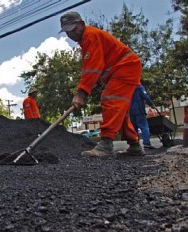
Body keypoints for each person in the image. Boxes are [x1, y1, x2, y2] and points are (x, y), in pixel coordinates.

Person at [59, 11, 144, 157]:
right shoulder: (86, 40)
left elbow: (92, 67)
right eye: (68, 32)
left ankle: (106, 144)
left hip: (126, 66)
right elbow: (99, 64)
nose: (71, 34)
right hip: (120, 68)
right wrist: (97, 81)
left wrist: (81, 93)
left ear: (82, 24)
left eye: (73, 29)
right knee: (119, 110)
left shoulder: (90, 36)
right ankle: (134, 145)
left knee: (110, 100)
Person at [130, 84, 156, 149]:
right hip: (139, 110)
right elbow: (145, 95)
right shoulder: (139, 86)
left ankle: (135, 145)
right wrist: (151, 104)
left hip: (130, 112)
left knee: (134, 129)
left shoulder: (128, 87)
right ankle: (146, 143)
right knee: (144, 127)